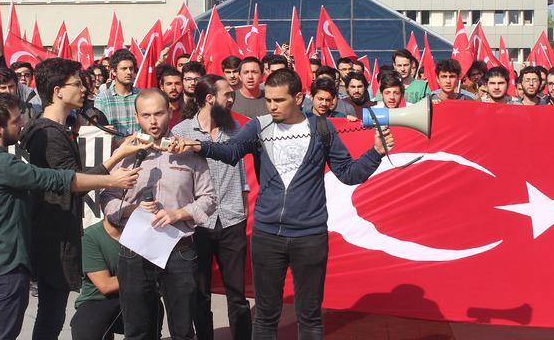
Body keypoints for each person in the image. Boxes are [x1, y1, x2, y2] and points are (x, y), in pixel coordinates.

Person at [169, 68, 393, 339]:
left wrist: (376, 153)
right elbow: (230, 153)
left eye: (279, 100)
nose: (271, 106)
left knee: (310, 318)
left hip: (309, 236)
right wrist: (199, 146)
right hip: (267, 236)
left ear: (298, 97)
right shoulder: (258, 126)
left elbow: (348, 174)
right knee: (265, 317)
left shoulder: (322, 128)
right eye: (269, 100)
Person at [0, 92, 140, 340]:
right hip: (5, 269)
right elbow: (56, 178)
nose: (22, 125)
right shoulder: (3, 164)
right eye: (16, 121)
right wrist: (111, 179)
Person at [19, 59, 152, 340]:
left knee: (52, 309)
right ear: (57, 91)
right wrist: (112, 179)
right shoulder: (47, 134)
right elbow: (70, 180)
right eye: (77, 84)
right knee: (51, 312)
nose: (84, 89)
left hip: (59, 228)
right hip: (51, 233)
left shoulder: (58, 129)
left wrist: (118, 154)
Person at [101, 89, 215, 340]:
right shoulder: (126, 153)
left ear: (170, 112)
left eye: (159, 114)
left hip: (179, 248)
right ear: (137, 117)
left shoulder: (188, 151)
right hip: (135, 249)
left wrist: (179, 213)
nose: (153, 121)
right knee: (138, 329)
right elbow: (107, 197)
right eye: (146, 115)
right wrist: (130, 210)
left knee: (183, 329)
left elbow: (209, 199)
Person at [171, 75, 252, 340]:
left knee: (237, 294)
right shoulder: (181, 132)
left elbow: (240, 170)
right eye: (227, 94)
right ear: (209, 99)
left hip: (232, 220)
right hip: (197, 223)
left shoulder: (236, 130)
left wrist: (243, 204)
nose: (231, 99)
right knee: (199, 293)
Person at [69, 218, 125, 340]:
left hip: (134, 297)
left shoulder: (143, 233)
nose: (121, 210)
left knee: (152, 309)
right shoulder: (90, 236)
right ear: (102, 206)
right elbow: (105, 285)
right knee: (86, 328)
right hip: (97, 299)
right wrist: (139, 276)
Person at [95, 48, 141, 136]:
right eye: (124, 69)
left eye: (131, 68)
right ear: (113, 71)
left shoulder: (141, 96)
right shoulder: (102, 98)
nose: (129, 72)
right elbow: (99, 131)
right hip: (114, 148)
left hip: (139, 147)